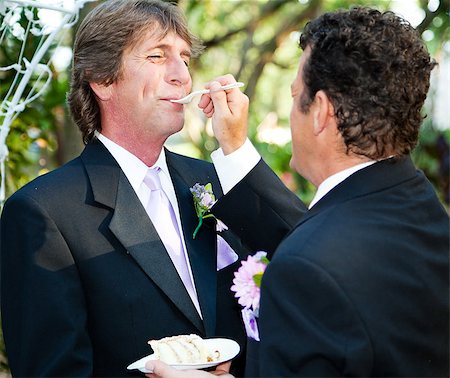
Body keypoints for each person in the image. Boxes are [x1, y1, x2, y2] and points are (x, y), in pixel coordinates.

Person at [0, 1, 305, 377]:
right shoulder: (42, 212)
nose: (182, 76)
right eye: (158, 56)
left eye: (186, 59)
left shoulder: (215, 181)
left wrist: (237, 150)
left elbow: (309, 257)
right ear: (101, 78)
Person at [146, 6, 450, 378]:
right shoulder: (425, 211)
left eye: (294, 96)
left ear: (320, 111)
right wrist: (234, 148)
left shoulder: (306, 269)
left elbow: (317, 257)